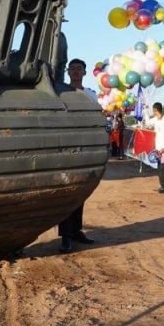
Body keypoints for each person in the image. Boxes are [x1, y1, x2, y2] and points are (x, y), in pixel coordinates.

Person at [57, 58, 99, 253]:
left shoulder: (90, 95)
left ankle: (76, 231)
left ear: (84, 72)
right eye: (72, 69)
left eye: (78, 69)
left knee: (82, 191)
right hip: (67, 148)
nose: (75, 71)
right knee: (67, 192)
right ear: (67, 72)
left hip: (85, 147)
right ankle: (65, 235)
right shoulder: (60, 93)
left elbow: (96, 119)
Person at [140, 102, 164, 193]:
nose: (153, 113)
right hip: (158, 148)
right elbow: (147, 123)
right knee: (160, 167)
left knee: (163, 167)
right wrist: (145, 111)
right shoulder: (155, 120)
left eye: (153, 111)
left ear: (156, 110)